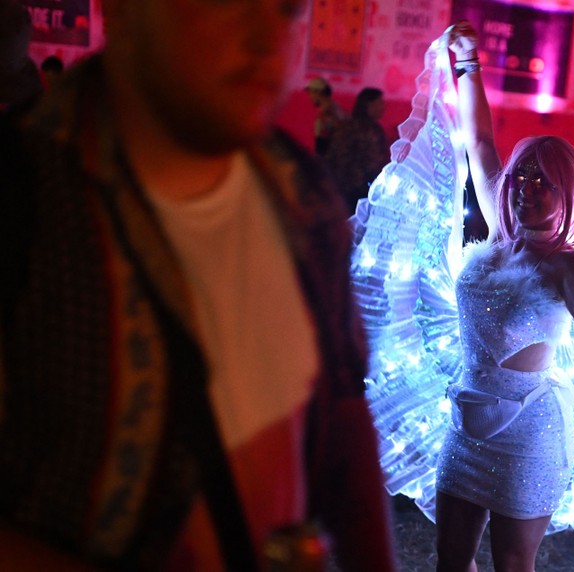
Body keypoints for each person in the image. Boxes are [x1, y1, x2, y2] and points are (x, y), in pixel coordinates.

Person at [0, 0, 394, 570]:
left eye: (288, 8)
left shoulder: (301, 195)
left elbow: (344, 425)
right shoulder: (24, 200)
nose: (268, 39)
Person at [349, 21, 574, 572]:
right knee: (450, 561)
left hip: (529, 432)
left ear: (566, 193)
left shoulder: (568, 265)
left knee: (512, 565)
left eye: (543, 182)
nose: (525, 190)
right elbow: (477, 142)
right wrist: (468, 66)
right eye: (521, 179)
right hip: (466, 421)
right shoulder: (500, 232)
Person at [326, 86, 391, 212]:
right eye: (380, 103)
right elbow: (376, 164)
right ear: (369, 105)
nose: (383, 107)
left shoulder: (345, 125)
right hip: (361, 192)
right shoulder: (371, 130)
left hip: (340, 189)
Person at [305, 76, 346, 156]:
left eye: (310, 93)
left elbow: (324, 145)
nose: (309, 97)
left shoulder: (327, 113)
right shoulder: (334, 108)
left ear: (319, 92)